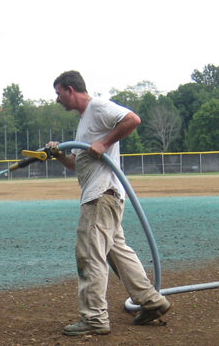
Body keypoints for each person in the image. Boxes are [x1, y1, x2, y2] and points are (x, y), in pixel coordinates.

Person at [46, 70, 171, 336]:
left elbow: (132, 119)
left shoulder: (98, 107)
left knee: (90, 255)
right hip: (107, 196)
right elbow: (78, 163)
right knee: (118, 253)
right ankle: (152, 301)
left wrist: (104, 142)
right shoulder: (84, 121)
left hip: (100, 197)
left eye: (58, 93)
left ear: (70, 89)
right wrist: (58, 155)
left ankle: (94, 319)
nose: (57, 99)